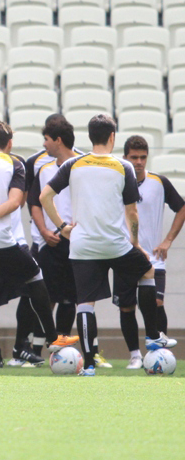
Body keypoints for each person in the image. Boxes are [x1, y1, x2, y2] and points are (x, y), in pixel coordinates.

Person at [40, 114, 176, 376]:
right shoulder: (122, 166)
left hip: (82, 246)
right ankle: (152, 336)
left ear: (89, 136)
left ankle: (89, 365)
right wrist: (135, 243)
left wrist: (62, 227)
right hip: (115, 243)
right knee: (147, 272)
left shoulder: (73, 164)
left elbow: (45, 196)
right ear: (112, 137)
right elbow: (132, 212)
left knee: (85, 303)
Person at [0, 121, 77, 375]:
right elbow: (13, 203)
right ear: (9, 144)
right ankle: (53, 337)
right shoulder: (14, 163)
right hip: (1, 241)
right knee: (35, 276)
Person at [119, 135, 185, 369]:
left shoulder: (159, 182)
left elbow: (182, 207)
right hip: (124, 256)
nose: (138, 162)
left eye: (143, 157)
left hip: (154, 260)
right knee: (127, 306)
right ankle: (135, 355)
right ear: (125, 157)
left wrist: (167, 240)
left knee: (156, 302)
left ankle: (160, 350)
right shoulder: (116, 182)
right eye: (133, 157)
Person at [23, 117, 83, 367]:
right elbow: (35, 203)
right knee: (45, 296)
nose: (44, 144)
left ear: (57, 140)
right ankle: (38, 348)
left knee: (71, 298)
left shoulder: (83, 165)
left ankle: (61, 345)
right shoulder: (44, 169)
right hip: (52, 241)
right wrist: (44, 230)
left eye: (46, 139)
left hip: (77, 242)